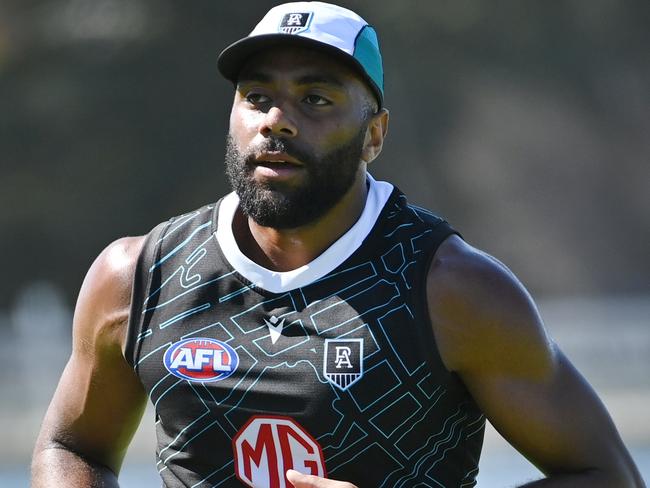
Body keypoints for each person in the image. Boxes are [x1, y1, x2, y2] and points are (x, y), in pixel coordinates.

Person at [31, 2, 645, 487]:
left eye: (316, 99)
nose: (277, 120)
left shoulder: (452, 289)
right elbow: (69, 447)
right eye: (257, 97)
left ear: (374, 134)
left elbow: (607, 477)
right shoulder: (139, 275)